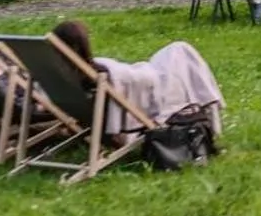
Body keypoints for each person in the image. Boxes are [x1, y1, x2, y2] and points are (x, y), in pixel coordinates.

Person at [49, 20, 226, 139]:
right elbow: (134, 84)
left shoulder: (64, 73)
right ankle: (212, 110)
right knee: (181, 51)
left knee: (179, 51)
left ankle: (210, 107)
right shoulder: (98, 74)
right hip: (153, 83)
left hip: (140, 73)